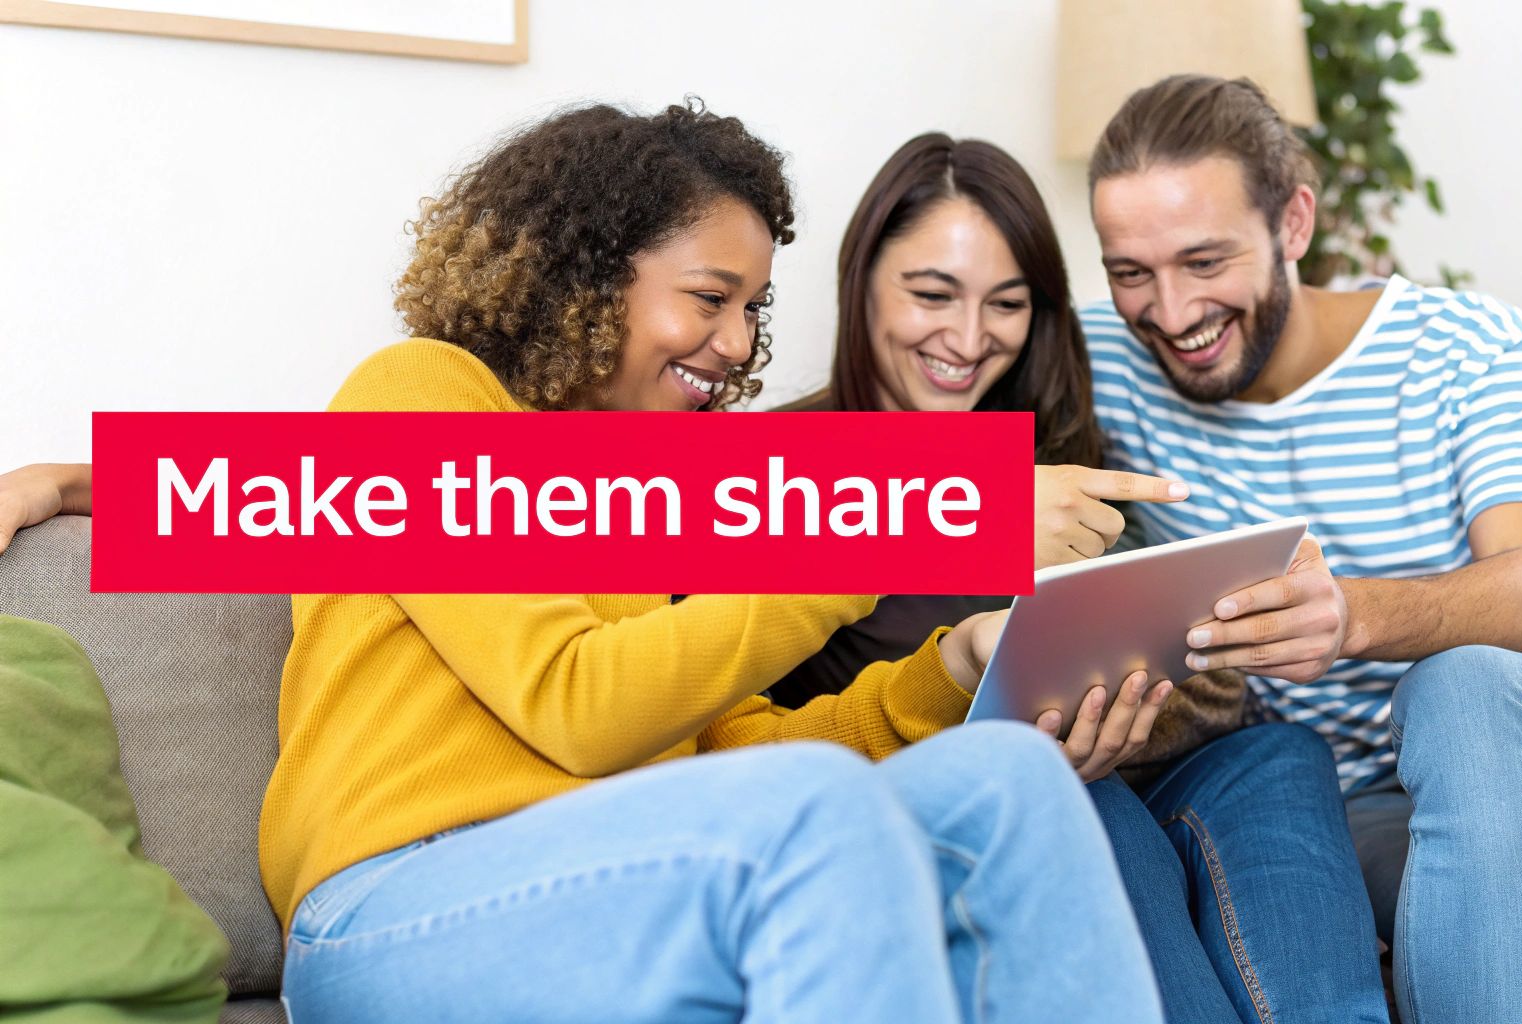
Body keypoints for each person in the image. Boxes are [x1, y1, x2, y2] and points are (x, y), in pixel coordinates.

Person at [8, 101, 1177, 1023]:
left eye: (752, 312)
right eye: (709, 299)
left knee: (1010, 787)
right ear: (581, 277)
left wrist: (947, 668)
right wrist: (914, 521)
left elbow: (733, 749)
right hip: (398, 910)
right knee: (810, 811)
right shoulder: (426, 390)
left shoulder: (659, 491)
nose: (735, 347)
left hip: (628, 866)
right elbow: (575, 702)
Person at [1082, 74, 1522, 1022]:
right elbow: (872, 442)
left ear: (1294, 223)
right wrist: (1019, 487)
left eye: (1206, 261)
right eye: (1131, 273)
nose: (1169, 311)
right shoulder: (1107, 365)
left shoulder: (1469, 347)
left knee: (1463, 683)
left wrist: (1353, 617)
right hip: (1371, 809)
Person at [776, 132, 1387, 1024]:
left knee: (1279, 755)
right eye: (931, 293)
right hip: (946, 800)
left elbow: (1208, 688)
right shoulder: (767, 477)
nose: (968, 338)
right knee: (1078, 798)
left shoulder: (1054, 451)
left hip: (1116, 769)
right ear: (863, 278)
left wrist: (1108, 720)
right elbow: (751, 741)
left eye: (1007, 303)